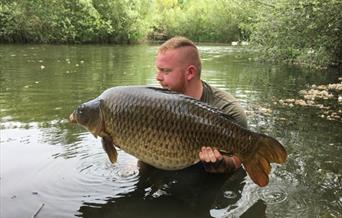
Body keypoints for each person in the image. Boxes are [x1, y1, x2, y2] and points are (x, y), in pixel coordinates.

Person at [155, 36, 248, 174]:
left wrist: (221, 163)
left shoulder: (228, 110)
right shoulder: (156, 103)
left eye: (166, 71)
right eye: (158, 70)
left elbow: (238, 161)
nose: (158, 77)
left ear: (190, 73)